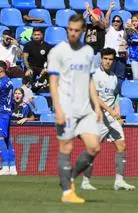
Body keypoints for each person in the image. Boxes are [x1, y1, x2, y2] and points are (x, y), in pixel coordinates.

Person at [48, 14, 102, 204]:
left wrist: (97, 105)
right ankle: (66, 193)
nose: (72, 33)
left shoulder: (88, 51)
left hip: (86, 108)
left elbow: (90, 80)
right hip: (67, 107)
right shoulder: (58, 51)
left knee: (94, 147)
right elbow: (53, 82)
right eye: (70, 29)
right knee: (67, 148)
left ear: (83, 31)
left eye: (76, 30)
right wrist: (58, 109)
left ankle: (69, 177)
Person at [81, 48, 136, 191]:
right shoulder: (96, 76)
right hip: (98, 117)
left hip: (111, 119)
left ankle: (119, 181)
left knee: (121, 146)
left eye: (110, 59)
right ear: (101, 59)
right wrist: (110, 110)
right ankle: (85, 181)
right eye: (105, 59)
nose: (108, 61)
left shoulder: (113, 77)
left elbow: (115, 95)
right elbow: (96, 98)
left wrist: (117, 108)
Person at [104, 1, 127, 93]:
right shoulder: (109, 29)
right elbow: (106, 20)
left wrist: (126, 28)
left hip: (120, 56)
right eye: (114, 21)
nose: (115, 22)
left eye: (118, 21)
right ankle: (107, 93)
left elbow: (125, 38)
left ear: (121, 22)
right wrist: (110, 9)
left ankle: (117, 94)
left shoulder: (122, 32)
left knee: (120, 76)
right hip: (110, 56)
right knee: (108, 75)